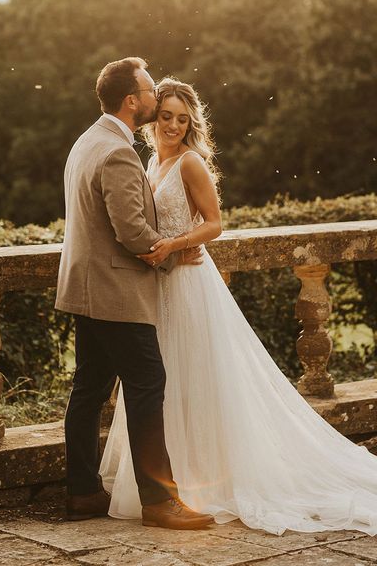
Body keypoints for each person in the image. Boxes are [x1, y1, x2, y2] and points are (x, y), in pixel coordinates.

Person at [100, 77, 377, 536]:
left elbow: (214, 224)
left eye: (181, 119)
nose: (171, 125)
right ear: (154, 118)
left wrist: (175, 244)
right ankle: (172, 480)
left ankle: (205, 481)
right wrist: (161, 249)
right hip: (161, 287)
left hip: (190, 285)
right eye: (165, 115)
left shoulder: (190, 162)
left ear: (191, 124)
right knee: (163, 382)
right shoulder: (152, 160)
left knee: (196, 377)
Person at [55, 57, 214, 530]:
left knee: (87, 389)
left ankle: (82, 491)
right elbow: (132, 231)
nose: (154, 98)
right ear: (132, 101)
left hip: (85, 289)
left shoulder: (88, 140)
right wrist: (171, 255)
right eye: (149, 93)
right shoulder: (120, 151)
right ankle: (159, 502)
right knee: (147, 387)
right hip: (118, 290)